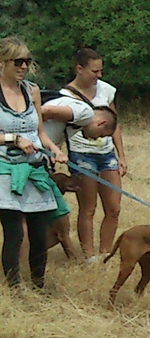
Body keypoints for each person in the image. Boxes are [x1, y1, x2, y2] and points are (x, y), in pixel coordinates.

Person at [0, 38, 72, 288]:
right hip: (5, 169)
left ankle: (38, 285)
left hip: (35, 167)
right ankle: (14, 287)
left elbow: (40, 131)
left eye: (27, 62)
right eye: (17, 61)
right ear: (2, 62)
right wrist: (13, 139)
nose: (23, 67)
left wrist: (53, 150)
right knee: (15, 233)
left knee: (40, 233)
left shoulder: (32, 91)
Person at [53, 48, 127, 262]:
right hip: (81, 155)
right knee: (88, 208)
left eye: (101, 70)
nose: (99, 75)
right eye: (95, 71)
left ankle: (105, 254)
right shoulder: (64, 96)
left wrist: (121, 156)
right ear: (79, 69)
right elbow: (57, 127)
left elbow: (114, 124)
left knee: (114, 207)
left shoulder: (106, 91)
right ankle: (89, 255)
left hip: (106, 153)